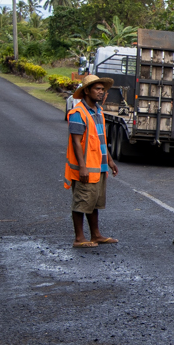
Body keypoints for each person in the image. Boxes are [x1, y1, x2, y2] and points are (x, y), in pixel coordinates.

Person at [65, 74, 119, 248]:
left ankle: (95, 235)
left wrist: (110, 160)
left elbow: (101, 139)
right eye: (97, 89)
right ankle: (79, 238)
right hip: (86, 167)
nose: (101, 92)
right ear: (86, 91)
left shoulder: (98, 111)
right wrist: (82, 167)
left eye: (102, 89)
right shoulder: (78, 113)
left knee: (93, 202)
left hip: (99, 166)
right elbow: (76, 142)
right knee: (82, 202)